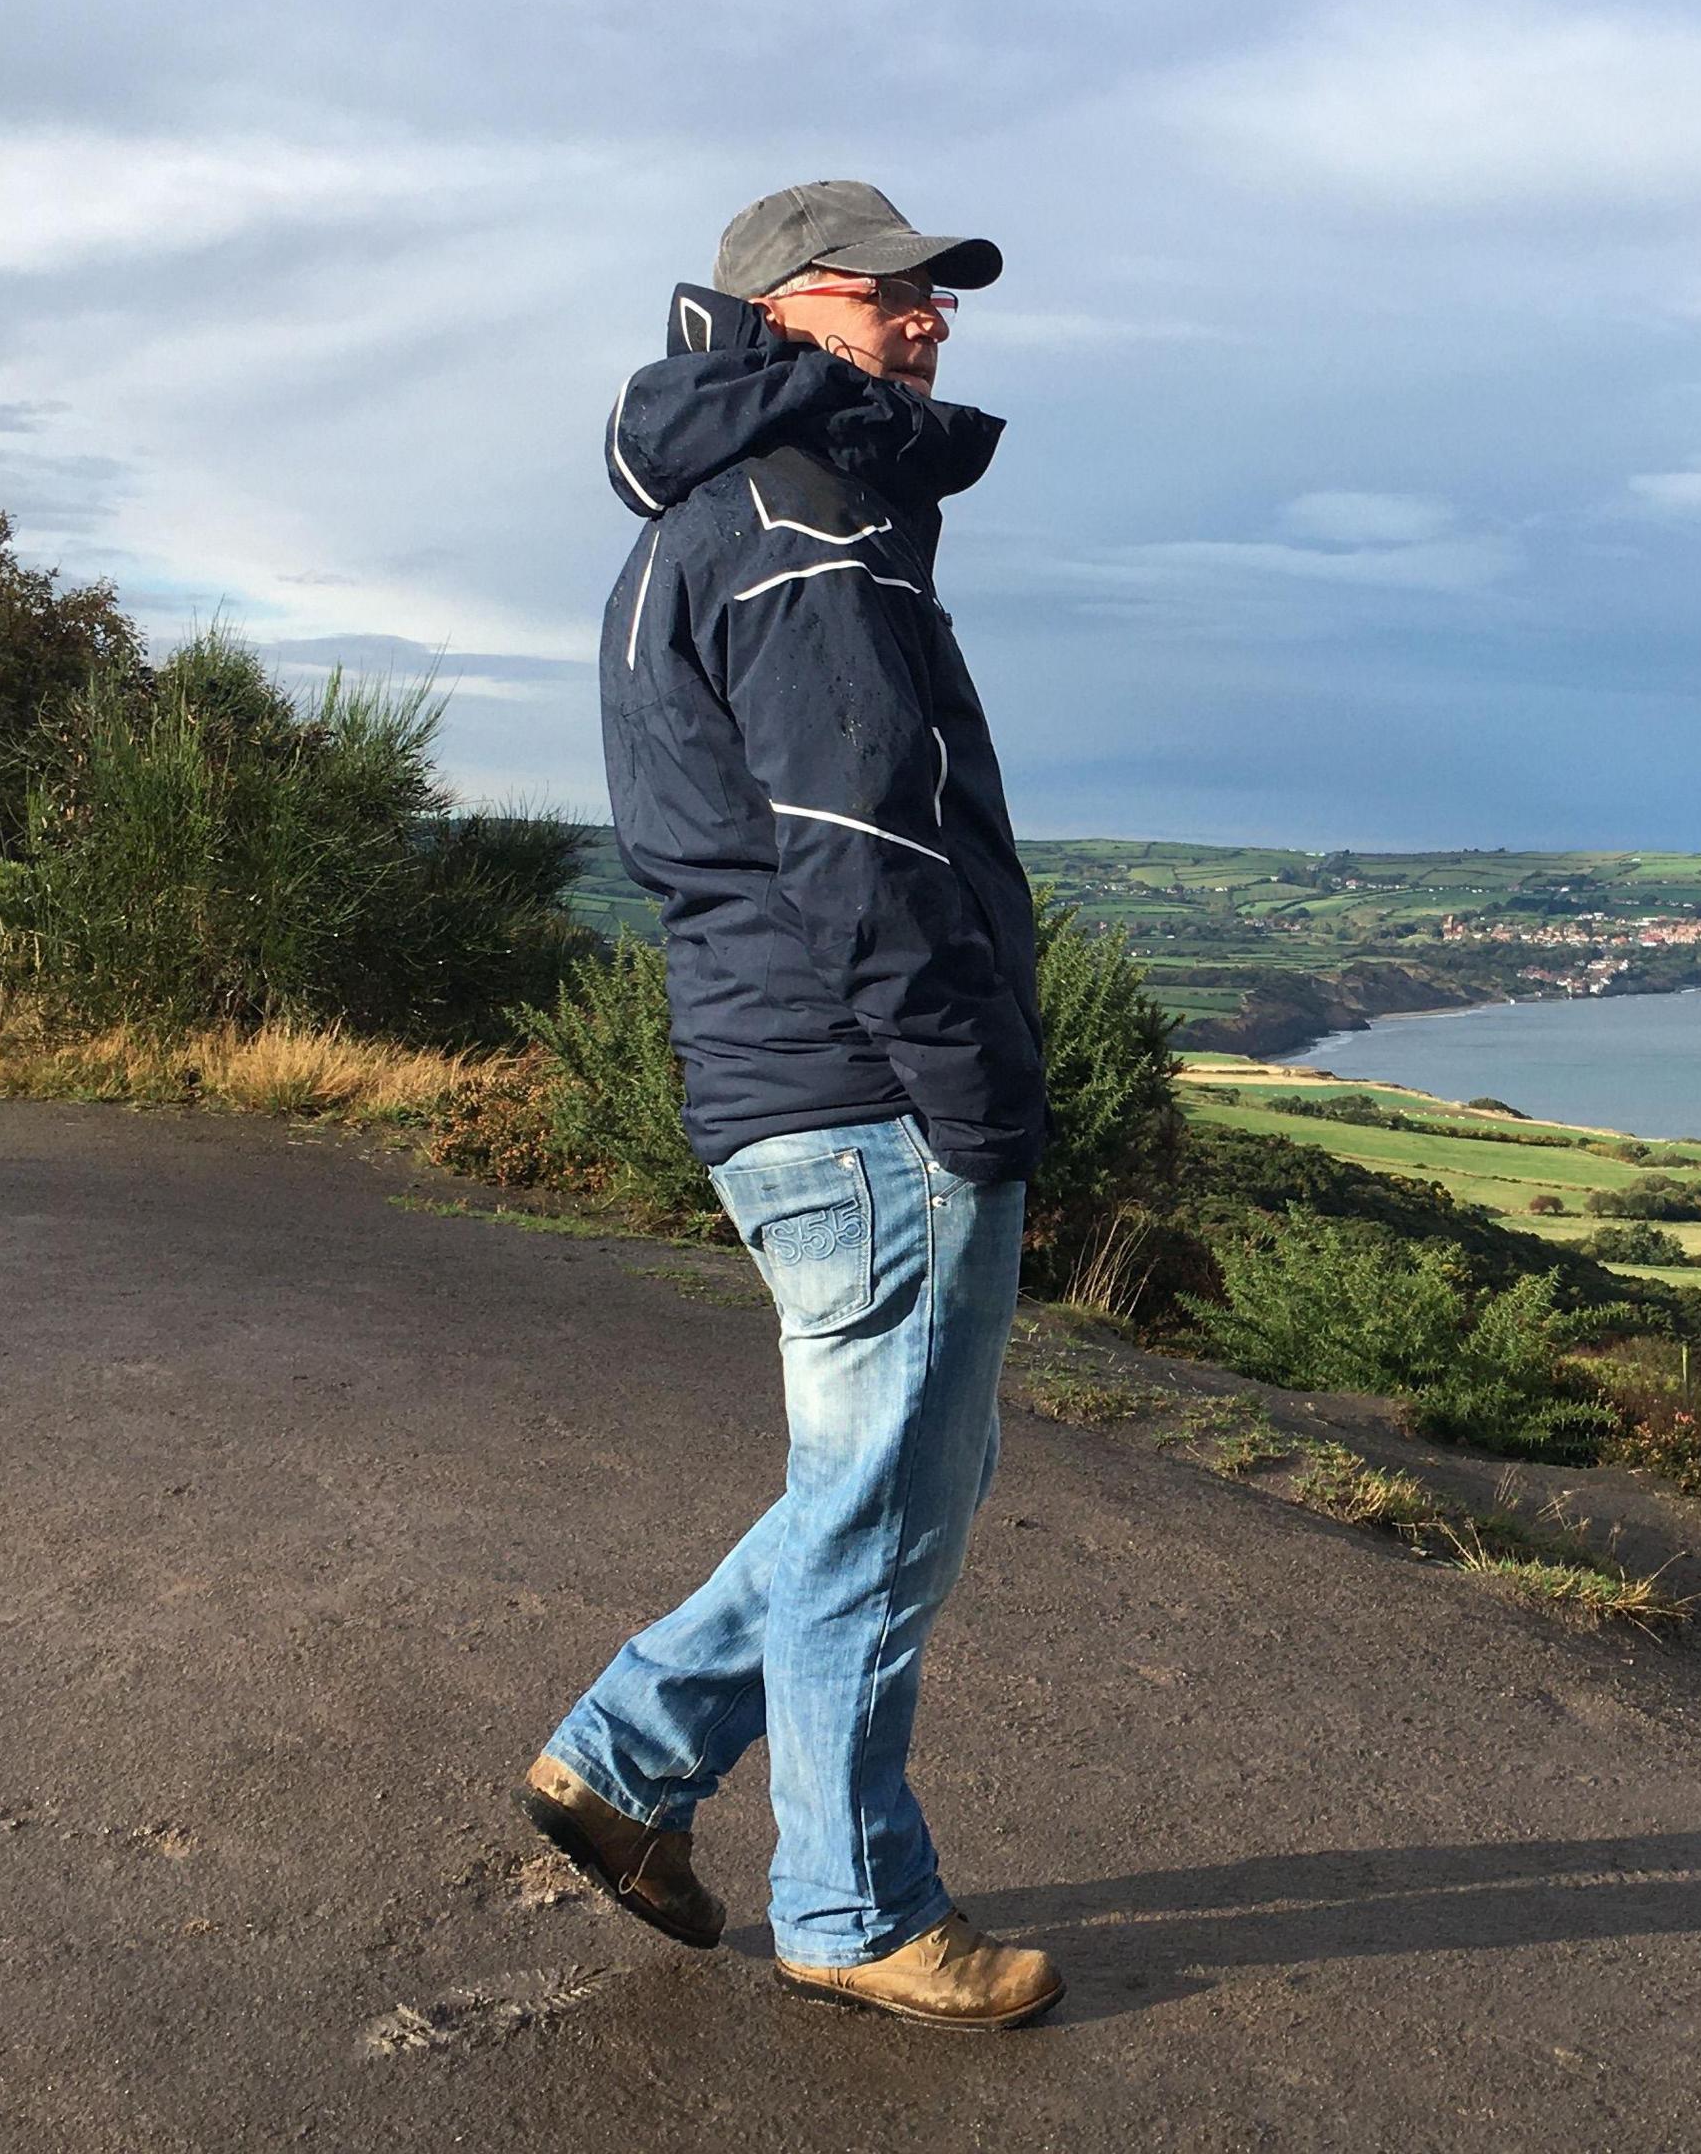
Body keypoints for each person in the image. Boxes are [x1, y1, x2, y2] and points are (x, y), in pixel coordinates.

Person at [518, 180, 1062, 2032]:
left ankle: (622, 1755)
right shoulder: (802, 518)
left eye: (936, 301)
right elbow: (856, 852)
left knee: (889, 1480)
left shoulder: (717, 516)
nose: (926, 322)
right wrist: (975, 1094)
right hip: (862, 1097)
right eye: (885, 293)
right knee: (885, 1513)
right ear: (776, 313)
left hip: (789, 1084)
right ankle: (852, 1905)